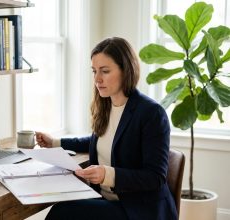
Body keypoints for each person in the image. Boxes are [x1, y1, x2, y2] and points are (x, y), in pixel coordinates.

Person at [36, 37, 177, 220]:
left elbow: (155, 177)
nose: (97, 79)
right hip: (108, 200)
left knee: (62, 213)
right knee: (64, 207)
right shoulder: (106, 106)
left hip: (139, 210)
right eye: (94, 71)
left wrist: (108, 174)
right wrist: (54, 142)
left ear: (126, 70)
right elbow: (99, 141)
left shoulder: (151, 113)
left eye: (105, 71)